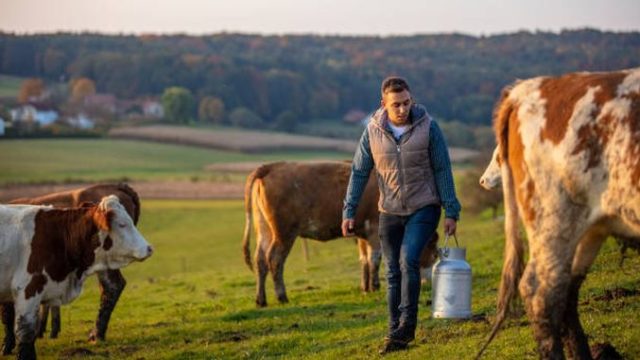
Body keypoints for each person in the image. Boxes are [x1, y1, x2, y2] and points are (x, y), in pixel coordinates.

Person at [342, 76, 461, 354]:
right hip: (390, 210)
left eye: (407, 102)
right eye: (396, 104)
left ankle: (407, 327)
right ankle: (394, 329)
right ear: (383, 103)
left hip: (424, 206)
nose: (402, 109)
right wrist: (349, 210)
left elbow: (443, 169)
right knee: (392, 270)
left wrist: (451, 210)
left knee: (409, 260)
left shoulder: (429, 127)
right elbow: (359, 172)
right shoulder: (372, 132)